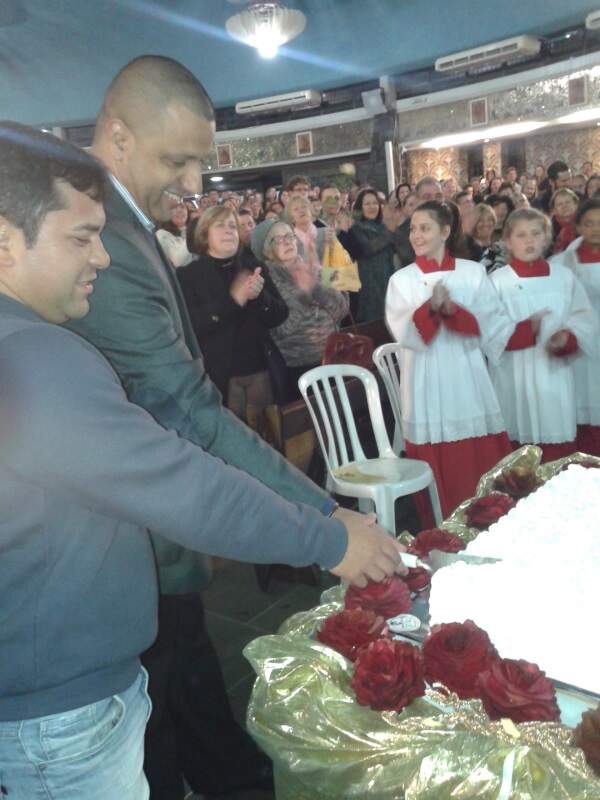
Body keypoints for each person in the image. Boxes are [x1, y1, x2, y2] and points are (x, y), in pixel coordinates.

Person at [0, 121, 408, 800]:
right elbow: (183, 488)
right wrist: (331, 539)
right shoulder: (34, 357)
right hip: (58, 719)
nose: (100, 258)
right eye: (80, 238)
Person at [385, 200, 515, 519]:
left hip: (466, 372)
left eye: (424, 228)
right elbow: (404, 332)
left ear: (445, 232)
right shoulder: (401, 279)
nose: (416, 235)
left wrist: (453, 311)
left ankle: (487, 516)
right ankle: (440, 522)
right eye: (413, 229)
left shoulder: (472, 272)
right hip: (424, 376)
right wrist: (430, 308)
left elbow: (492, 323)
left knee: (475, 452)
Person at [489, 208, 596, 462]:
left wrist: (567, 338)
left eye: (536, 234)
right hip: (514, 376)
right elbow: (488, 329)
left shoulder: (563, 278)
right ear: (508, 241)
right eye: (521, 235)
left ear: (546, 238)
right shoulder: (497, 282)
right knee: (518, 457)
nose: (529, 240)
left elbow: (584, 318)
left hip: (554, 375)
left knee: (556, 450)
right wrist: (526, 330)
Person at [177, 207, 288, 423]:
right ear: (204, 235)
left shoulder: (253, 266)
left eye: (232, 227)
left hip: (261, 370)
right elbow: (191, 326)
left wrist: (260, 297)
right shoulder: (188, 275)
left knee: (269, 435)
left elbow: (280, 315)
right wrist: (233, 301)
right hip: (220, 377)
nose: (229, 231)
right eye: (220, 226)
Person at [251, 218, 348, 401]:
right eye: (278, 239)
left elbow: (342, 309)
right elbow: (281, 330)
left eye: (290, 236)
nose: (287, 242)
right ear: (266, 250)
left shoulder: (315, 266)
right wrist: (303, 295)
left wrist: (315, 289)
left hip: (336, 356)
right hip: (300, 368)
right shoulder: (265, 283)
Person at [552, 198, 600, 455]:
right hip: (579, 349)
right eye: (589, 223)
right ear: (578, 227)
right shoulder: (562, 264)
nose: (596, 229)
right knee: (583, 408)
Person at [345, 188, 397, 322]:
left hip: (387, 281)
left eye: (375, 203)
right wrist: (389, 234)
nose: (372, 207)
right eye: (367, 204)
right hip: (368, 287)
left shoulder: (383, 227)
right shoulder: (355, 228)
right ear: (360, 207)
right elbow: (367, 248)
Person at [156, 203, 193, 268]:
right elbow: (177, 261)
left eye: (182, 207)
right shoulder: (161, 234)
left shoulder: (191, 230)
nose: (179, 210)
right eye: (174, 208)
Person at [549, 187, 579, 254]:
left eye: (568, 202)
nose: (564, 206)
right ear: (554, 210)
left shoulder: (585, 223)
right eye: (559, 204)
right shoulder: (548, 228)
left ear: (576, 204)